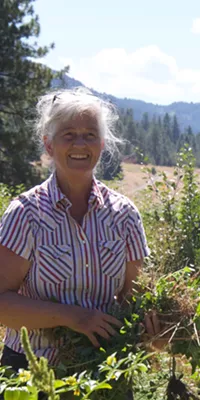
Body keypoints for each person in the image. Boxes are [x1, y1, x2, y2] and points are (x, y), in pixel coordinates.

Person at [0, 87, 160, 376]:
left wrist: (154, 329)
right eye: (68, 134)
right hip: (32, 372)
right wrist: (72, 316)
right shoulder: (25, 214)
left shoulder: (124, 216)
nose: (80, 144)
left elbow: (132, 300)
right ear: (49, 145)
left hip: (105, 372)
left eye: (89, 135)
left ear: (101, 144)